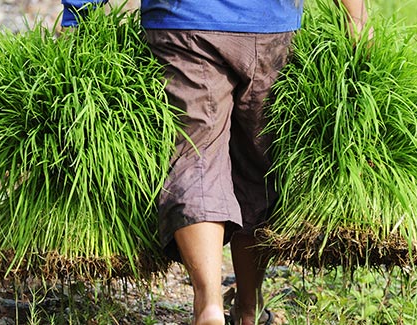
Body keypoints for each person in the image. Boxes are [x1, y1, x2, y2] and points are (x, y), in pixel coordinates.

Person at [61, 1, 370, 324]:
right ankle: (248, 307)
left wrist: (80, 13)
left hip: (185, 24)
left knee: (195, 157)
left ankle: (208, 303)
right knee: (259, 166)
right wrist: (356, 19)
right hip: (270, 28)